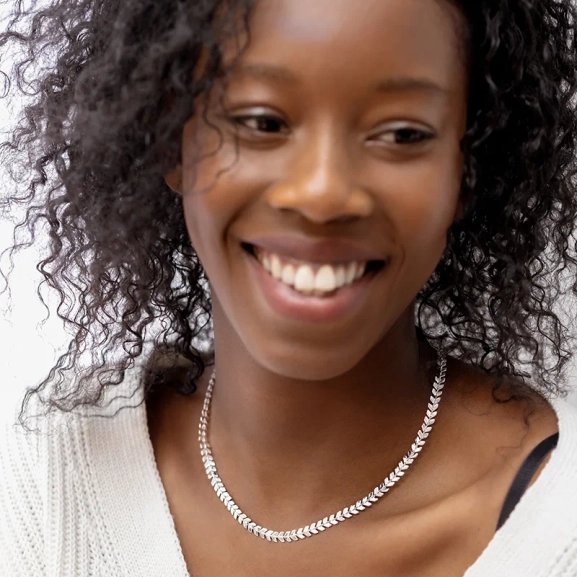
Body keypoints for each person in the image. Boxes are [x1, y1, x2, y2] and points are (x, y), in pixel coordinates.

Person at [1, 0, 577, 575]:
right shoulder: (41, 477)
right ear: (171, 140)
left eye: (402, 134)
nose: (321, 194)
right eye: (262, 122)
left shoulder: (560, 530)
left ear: (467, 168)